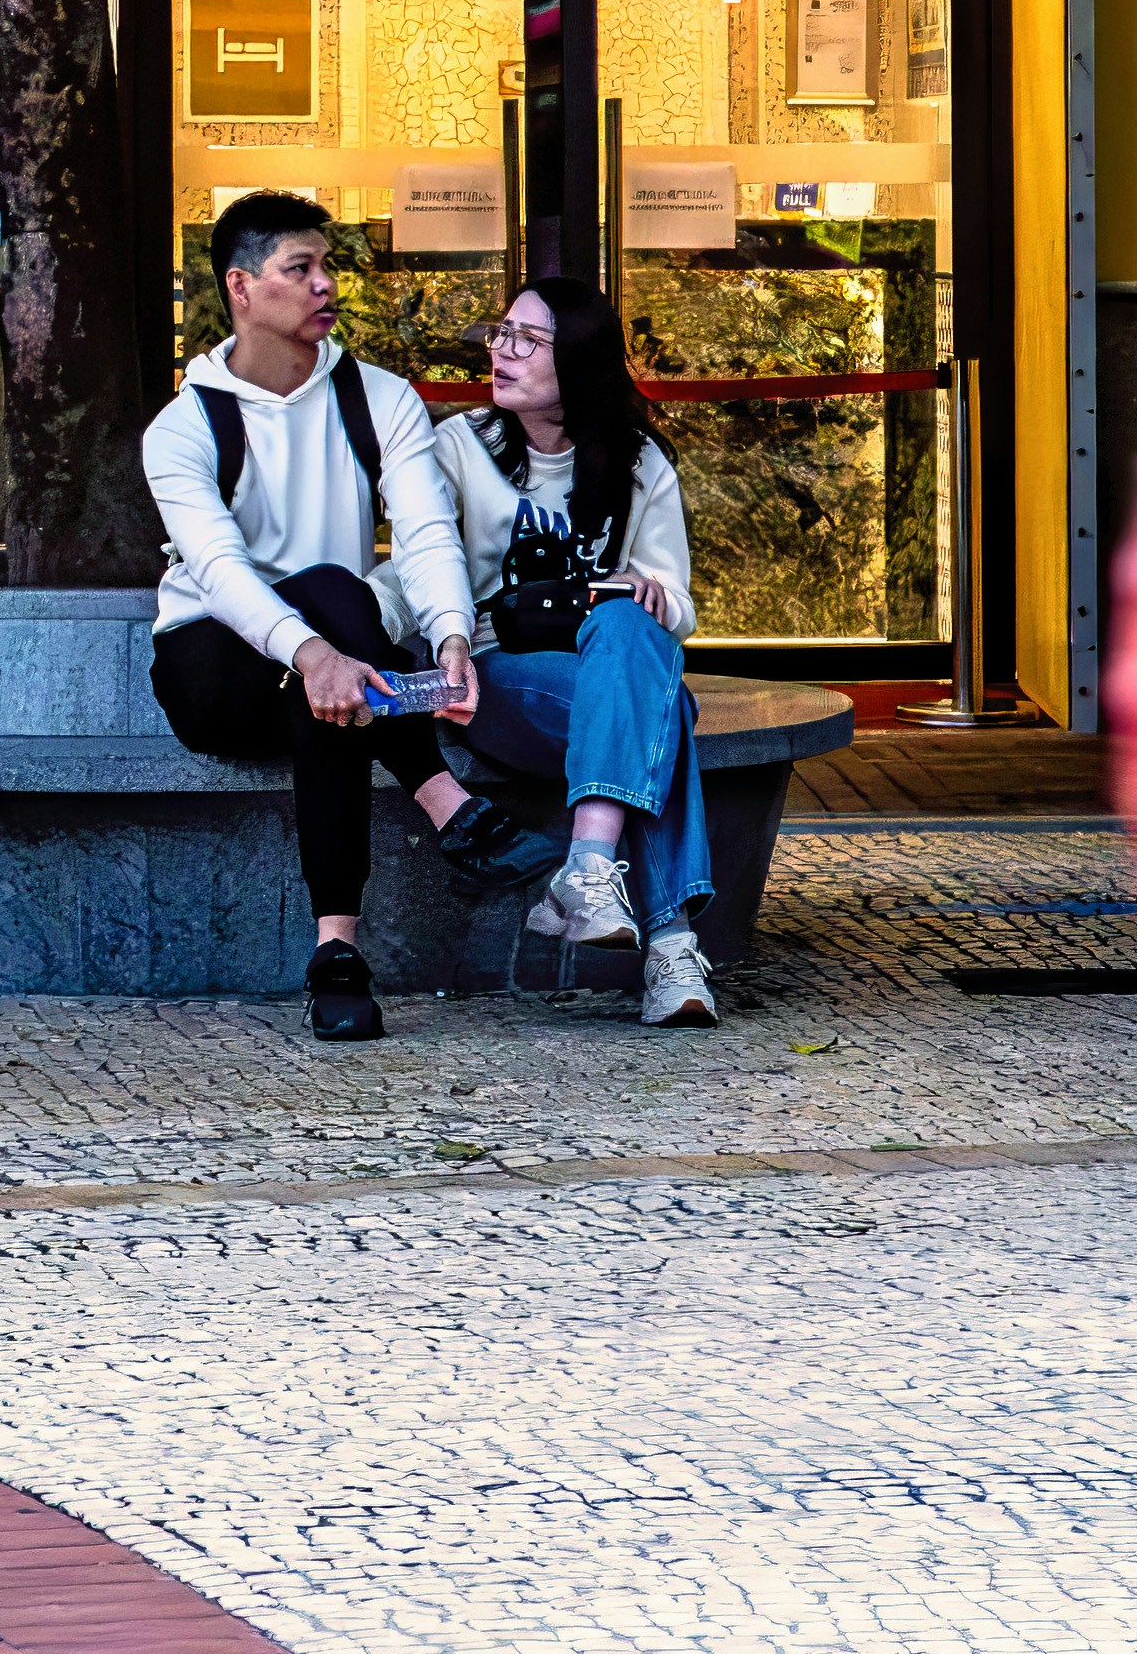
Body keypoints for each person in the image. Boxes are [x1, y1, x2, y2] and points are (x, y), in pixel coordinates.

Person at [144, 192, 485, 1044]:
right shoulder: (183, 428)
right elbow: (218, 573)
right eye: (302, 268)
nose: (326, 285)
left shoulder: (380, 400)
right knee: (329, 614)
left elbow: (426, 529)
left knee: (334, 628)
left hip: (338, 665)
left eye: (328, 267)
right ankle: (446, 800)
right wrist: (311, 649)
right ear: (243, 287)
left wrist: (450, 635)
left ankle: (338, 955)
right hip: (214, 669)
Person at [400, 275, 719, 1024]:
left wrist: (651, 594)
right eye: (500, 334)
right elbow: (418, 557)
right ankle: (671, 942)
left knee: (631, 628)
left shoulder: (638, 463)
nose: (501, 353)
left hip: (598, 672)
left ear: (575, 362)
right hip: (492, 678)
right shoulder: (461, 447)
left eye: (526, 340)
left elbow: (679, 603)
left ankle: (588, 870)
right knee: (664, 710)